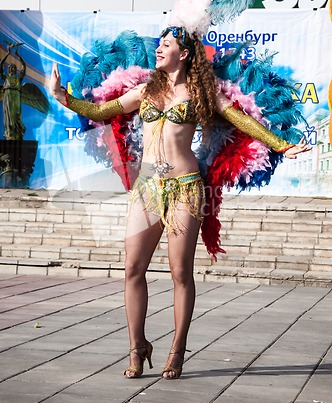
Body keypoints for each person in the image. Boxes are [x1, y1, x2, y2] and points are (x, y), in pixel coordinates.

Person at [49, 26, 311, 380]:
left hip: (186, 188)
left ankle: (176, 350)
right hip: (147, 188)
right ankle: (137, 346)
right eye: (159, 43)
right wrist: (62, 97)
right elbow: (100, 111)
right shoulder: (145, 90)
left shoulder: (203, 93)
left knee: (180, 273)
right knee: (132, 269)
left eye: (166, 45)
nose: (158, 49)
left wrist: (281, 145)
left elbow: (242, 120)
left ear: (184, 53)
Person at [0, 45, 26, 140]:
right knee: (8, 116)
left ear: (15, 70)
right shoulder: (5, 78)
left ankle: (17, 133)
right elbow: (1, 65)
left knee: (16, 115)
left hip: (16, 97)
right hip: (8, 97)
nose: (11, 69)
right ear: (8, 70)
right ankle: (9, 134)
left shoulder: (18, 79)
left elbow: (24, 68)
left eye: (13, 68)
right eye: (10, 68)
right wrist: (7, 53)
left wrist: (17, 55)